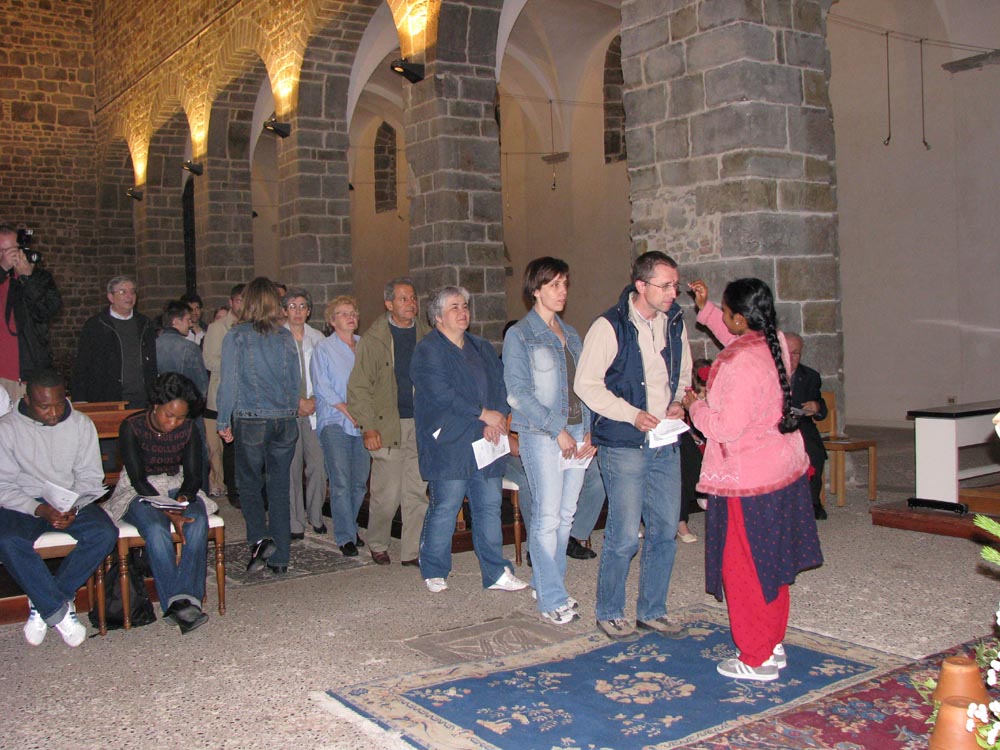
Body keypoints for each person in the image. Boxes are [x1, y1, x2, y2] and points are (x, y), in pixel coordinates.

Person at [684, 278, 823, 682]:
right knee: (772, 561)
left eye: (726, 312)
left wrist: (696, 407)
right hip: (782, 471)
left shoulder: (737, 364)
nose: (725, 320)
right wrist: (708, 309)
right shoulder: (774, 341)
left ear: (740, 318)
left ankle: (756, 657)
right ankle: (771, 641)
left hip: (748, 481)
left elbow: (724, 428)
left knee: (744, 568)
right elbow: (736, 337)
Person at [574, 251, 692, 642]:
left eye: (675, 285)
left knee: (664, 531)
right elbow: (586, 384)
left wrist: (679, 401)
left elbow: (683, 374)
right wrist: (631, 414)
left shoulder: (674, 323)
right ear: (641, 285)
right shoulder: (609, 326)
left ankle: (652, 610)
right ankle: (610, 612)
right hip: (624, 443)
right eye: (665, 285)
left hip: (664, 442)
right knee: (624, 536)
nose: (673, 292)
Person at [411, 285, 527, 594]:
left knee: (489, 506)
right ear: (437, 317)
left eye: (465, 306)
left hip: (486, 439)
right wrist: (483, 414)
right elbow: (442, 394)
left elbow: (500, 386)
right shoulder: (428, 350)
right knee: (446, 505)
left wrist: (497, 419)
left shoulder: (482, 347)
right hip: (449, 441)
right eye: (455, 307)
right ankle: (434, 568)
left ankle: (496, 572)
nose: (463, 312)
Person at [503, 257, 594, 624]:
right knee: (547, 516)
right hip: (542, 434)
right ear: (536, 290)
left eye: (565, 284)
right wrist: (556, 429)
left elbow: (584, 386)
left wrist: (589, 428)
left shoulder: (571, 334)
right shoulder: (520, 334)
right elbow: (518, 393)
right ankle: (552, 597)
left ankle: (548, 583)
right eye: (554, 284)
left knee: (566, 516)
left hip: (576, 431)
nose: (562, 291)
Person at [0, 370, 117, 647]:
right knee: (7, 540)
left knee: (104, 534)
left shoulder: (81, 424)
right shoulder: (7, 428)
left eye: (59, 404)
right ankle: (57, 609)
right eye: (44, 407)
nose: (53, 413)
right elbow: (3, 485)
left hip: (70, 499)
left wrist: (73, 505)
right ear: (27, 401)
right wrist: (39, 509)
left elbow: (90, 477)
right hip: (25, 501)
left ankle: (44, 599)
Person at [104, 372, 215, 634]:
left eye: (180, 418)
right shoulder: (132, 427)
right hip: (139, 489)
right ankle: (178, 602)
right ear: (156, 406)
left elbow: (193, 475)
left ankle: (185, 602)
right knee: (155, 528)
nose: (174, 423)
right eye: (169, 415)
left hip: (175, 483)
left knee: (197, 521)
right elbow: (138, 479)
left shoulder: (188, 428)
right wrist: (167, 510)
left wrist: (183, 498)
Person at [216, 278, 300, 575]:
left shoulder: (237, 336)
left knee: (248, 484)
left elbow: (229, 382)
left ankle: (260, 539)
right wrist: (290, 411)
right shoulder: (285, 336)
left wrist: (223, 419)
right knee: (278, 488)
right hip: (284, 419)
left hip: (252, 418)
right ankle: (281, 558)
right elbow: (295, 380)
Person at [347, 278, 430, 566]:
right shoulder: (374, 339)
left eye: (413, 298)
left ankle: (412, 552)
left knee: (417, 491)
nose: (411, 303)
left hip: (419, 424)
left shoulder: (427, 335)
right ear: (389, 304)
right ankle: (378, 542)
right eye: (403, 299)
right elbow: (358, 388)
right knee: (387, 494)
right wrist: (368, 426)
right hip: (387, 426)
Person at [311, 296, 369, 556]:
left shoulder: (364, 345)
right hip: (335, 419)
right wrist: (347, 409)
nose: (350, 316)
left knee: (359, 482)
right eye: (343, 313)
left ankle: (351, 526)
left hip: (363, 421)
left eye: (353, 312)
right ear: (332, 321)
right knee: (341, 480)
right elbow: (322, 386)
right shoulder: (323, 348)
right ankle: (345, 535)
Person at [282, 289, 328, 539]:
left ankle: (316, 514)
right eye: (292, 306)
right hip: (288, 410)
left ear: (309, 311)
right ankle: (295, 520)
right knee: (292, 467)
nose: (298, 311)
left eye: (302, 306)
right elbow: (275, 378)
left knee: (318, 465)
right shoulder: (277, 337)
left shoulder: (318, 337)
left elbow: (326, 374)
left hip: (314, 410)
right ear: (284, 311)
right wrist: (295, 401)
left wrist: (314, 401)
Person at [72, 276, 156, 407]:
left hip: (141, 397)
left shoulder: (144, 323)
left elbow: (152, 361)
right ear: (111, 297)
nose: (129, 296)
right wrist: (80, 397)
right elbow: (83, 363)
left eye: (133, 292)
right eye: (123, 292)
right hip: (107, 395)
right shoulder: (96, 325)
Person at [0, 223, 62, 404]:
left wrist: (27, 279)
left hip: (27, 374)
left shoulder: (40, 278)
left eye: (13, 249)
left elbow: (47, 311)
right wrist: (2, 270)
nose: (10, 256)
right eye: (3, 251)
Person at [156, 300, 210, 490]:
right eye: (187, 320)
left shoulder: (151, 345)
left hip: (161, 413)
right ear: (176, 321)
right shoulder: (189, 348)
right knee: (197, 456)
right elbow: (201, 386)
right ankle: (200, 495)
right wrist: (197, 407)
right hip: (188, 413)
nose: (190, 323)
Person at [202, 284, 244, 502]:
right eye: (238, 300)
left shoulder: (252, 326)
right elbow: (209, 360)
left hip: (247, 396)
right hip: (225, 391)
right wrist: (238, 364)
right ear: (231, 302)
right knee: (229, 446)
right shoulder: (217, 328)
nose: (242, 305)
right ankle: (233, 490)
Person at [785, 332, 829, 520]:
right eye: (787, 352)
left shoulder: (810, 376)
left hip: (802, 426)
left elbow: (821, 407)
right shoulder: (766, 373)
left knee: (814, 451)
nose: (791, 357)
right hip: (773, 427)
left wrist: (816, 407)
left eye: (796, 353)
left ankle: (812, 503)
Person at [677, 358, 712, 544]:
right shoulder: (685, 399)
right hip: (690, 446)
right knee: (682, 452)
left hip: (710, 444)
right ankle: (680, 522)